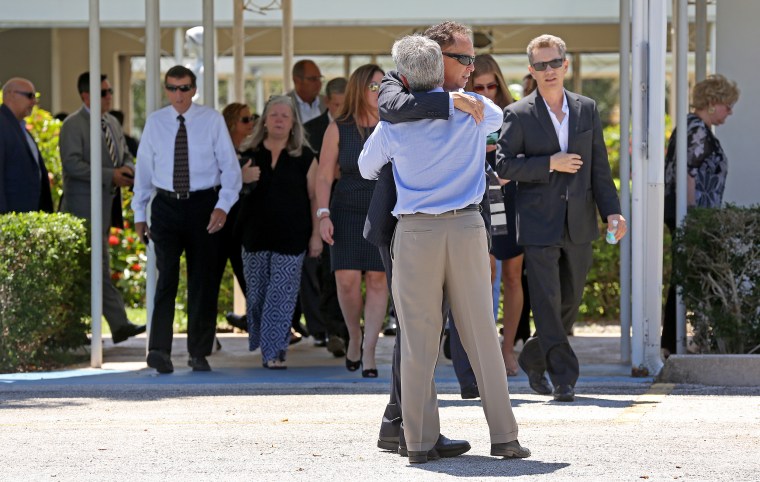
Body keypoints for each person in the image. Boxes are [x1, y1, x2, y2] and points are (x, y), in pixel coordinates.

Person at [359, 33, 529, 464]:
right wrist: (458, 97)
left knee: (418, 342)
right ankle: (505, 437)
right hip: (468, 227)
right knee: (482, 339)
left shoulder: (392, 123)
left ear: (402, 76)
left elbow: (365, 168)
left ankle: (417, 442)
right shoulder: (475, 109)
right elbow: (496, 121)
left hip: (415, 232)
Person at [368, 21, 488, 454]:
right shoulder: (395, 85)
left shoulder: (467, 100)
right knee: (418, 331)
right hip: (406, 226)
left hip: (448, 226)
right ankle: (409, 428)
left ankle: (399, 424)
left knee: (422, 333)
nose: (472, 67)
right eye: (465, 59)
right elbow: (394, 109)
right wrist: (446, 99)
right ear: (436, 61)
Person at [496, 34, 626, 402]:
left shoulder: (586, 109)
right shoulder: (518, 113)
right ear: (531, 70)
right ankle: (564, 377)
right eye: (541, 65)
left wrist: (612, 211)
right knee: (547, 300)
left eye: (554, 63)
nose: (548, 70)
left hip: (580, 221)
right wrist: (548, 164)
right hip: (538, 224)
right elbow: (504, 165)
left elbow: (600, 166)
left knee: (569, 300)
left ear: (565, 65)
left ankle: (534, 356)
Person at [132, 65, 242, 374]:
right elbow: (142, 171)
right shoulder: (155, 123)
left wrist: (222, 206)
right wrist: (139, 213)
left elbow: (230, 169)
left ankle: (198, 352)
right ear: (166, 90)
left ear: (193, 89)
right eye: (172, 88)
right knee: (166, 278)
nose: (178, 94)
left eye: (184, 88)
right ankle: (158, 351)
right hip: (166, 206)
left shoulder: (211, 120)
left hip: (203, 205)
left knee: (202, 280)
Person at [59, 72, 146, 344]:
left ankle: (114, 325)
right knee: (90, 266)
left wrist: (128, 170)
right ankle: (107, 324)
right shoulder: (73, 125)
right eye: (104, 92)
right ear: (86, 96)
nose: (109, 97)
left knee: (98, 264)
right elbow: (72, 165)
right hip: (82, 208)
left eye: (109, 91)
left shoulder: (110, 122)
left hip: (107, 206)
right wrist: (112, 175)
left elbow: (126, 153)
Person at [237, 96, 321, 369]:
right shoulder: (247, 154)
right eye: (274, 115)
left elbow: (315, 198)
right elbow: (226, 190)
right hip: (254, 236)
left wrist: (316, 235)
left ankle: (274, 352)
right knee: (258, 295)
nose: (279, 120)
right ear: (264, 120)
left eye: (285, 115)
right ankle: (269, 344)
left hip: (292, 237)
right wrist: (241, 178)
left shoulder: (305, 157)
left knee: (281, 295)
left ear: (294, 122)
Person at [316, 64, 388, 378]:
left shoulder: (393, 123)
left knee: (377, 280)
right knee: (345, 282)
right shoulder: (339, 126)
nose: (380, 90)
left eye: (383, 85)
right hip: (345, 208)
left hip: (382, 208)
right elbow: (322, 175)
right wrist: (322, 215)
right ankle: (354, 336)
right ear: (360, 88)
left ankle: (370, 350)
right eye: (374, 86)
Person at [662, 74, 740, 356]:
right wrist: (694, 219)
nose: (730, 111)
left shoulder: (693, 127)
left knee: (688, 275)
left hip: (693, 216)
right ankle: (685, 342)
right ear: (712, 102)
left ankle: (675, 342)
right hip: (694, 217)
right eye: (727, 105)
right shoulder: (696, 129)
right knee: (699, 275)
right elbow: (688, 176)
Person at [465, 54, 524, 377]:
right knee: (483, 277)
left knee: (513, 276)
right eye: (479, 86)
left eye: (492, 85)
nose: (486, 92)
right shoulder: (462, 110)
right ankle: (482, 352)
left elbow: (526, 154)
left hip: (511, 198)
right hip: (477, 199)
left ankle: (507, 349)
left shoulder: (514, 113)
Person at [303, 77, 349, 356]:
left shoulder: (363, 126)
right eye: (335, 105)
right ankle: (335, 331)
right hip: (324, 206)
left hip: (354, 205)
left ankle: (351, 331)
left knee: (356, 274)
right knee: (329, 273)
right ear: (327, 102)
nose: (340, 110)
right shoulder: (311, 130)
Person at [219, 102, 262, 330]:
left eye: (252, 118)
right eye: (245, 120)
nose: (251, 124)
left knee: (247, 274)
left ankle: (257, 321)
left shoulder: (251, 151)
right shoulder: (219, 151)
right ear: (231, 124)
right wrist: (240, 177)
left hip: (243, 225)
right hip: (222, 224)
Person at [0, 77, 53, 214]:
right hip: (11, 218)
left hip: (27, 215)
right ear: (10, 94)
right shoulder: (3, 125)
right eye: (29, 96)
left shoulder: (21, 128)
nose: (34, 102)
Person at [287, 59, 326, 124]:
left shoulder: (327, 103)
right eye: (313, 79)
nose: (318, 83)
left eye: (319, 78)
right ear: (296, 80)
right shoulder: (283, 105)